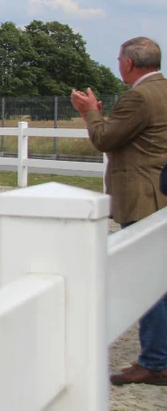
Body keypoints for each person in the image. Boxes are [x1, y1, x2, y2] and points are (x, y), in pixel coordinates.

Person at [72, 36, 167, 386]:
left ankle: (154, 361)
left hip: (143, 197)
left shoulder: (139, 96)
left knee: (147, 281)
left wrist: (89, 111)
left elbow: (104, 139)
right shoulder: (162, 90)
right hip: (161, 194)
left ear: (128, 63)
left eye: (118, 60)